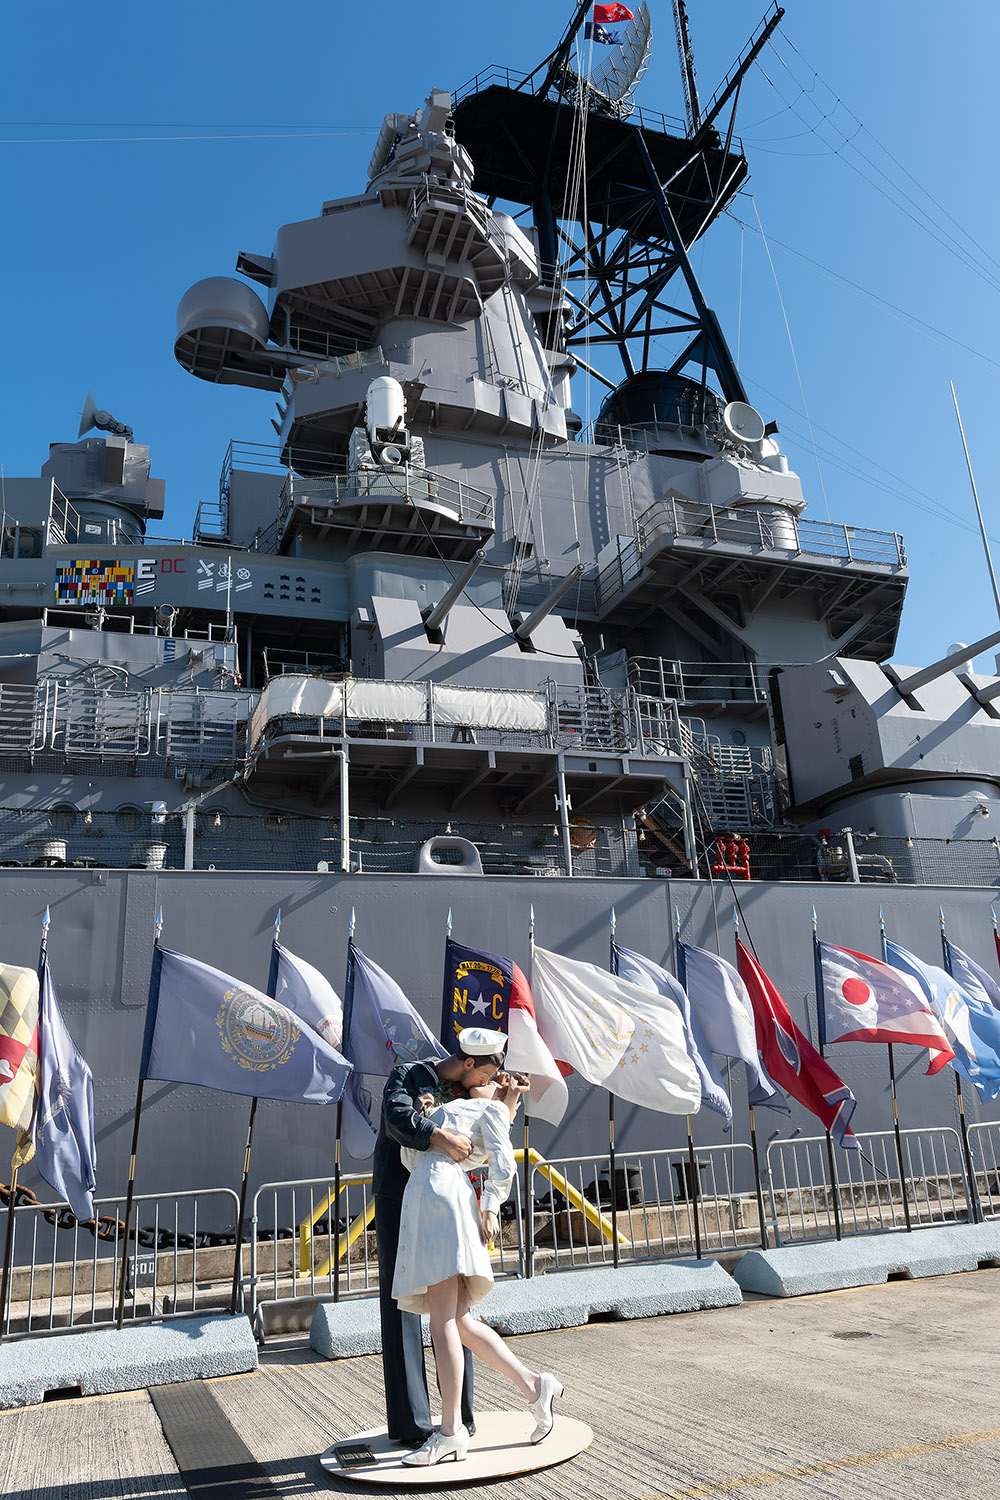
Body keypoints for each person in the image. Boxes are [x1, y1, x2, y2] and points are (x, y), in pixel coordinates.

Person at [393, 1034, 564, 1468]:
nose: (491, 1080)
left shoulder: (486, 1107)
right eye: (487, 1074)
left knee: (443, 1322)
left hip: (439, 1196)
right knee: (460, 1321)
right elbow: (420, 1149)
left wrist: (491, 1205)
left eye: (494, 1079)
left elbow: (503, 1160)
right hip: (434, 1193)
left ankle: (449, 1432)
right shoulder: (472, 1106)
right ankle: (534, 1386)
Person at [373, 1027, 504, 1444]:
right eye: (483, 1075)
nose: (485, 1084)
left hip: (447, 1200)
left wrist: (506, 1093)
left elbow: (498, 1123)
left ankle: (459, 1418)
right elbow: (396, 1119)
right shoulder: (410, 1075)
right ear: (468, 1063)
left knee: (454, 1307)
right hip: (400, 1197)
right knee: (402, 1306)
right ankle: (412, 1423)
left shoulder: (469, 1093)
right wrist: (439, 1136)